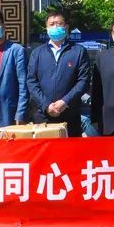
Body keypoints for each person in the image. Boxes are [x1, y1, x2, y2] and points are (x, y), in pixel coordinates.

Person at [27, 9, 90, 137]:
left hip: (70, 115)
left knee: (70, 149)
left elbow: (83, 81)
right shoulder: (37, 53)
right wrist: (46, 105)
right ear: (46, 28)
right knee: (45, 149)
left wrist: (65, 102)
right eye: (51, 24)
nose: (55, 27)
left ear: (66, 27)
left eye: (59, 23)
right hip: (43, 115)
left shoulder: (78, 51)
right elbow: (31, 82)